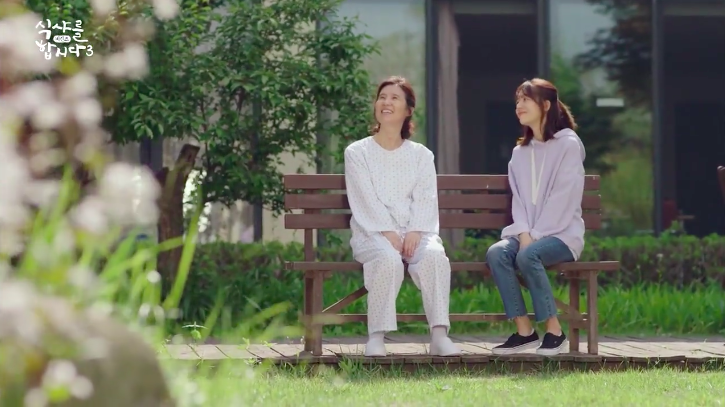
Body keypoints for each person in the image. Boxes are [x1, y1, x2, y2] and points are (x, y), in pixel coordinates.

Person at [343, 76, 460, 357]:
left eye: (394, 98)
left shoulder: (421, 155)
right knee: (387, 259)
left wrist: (416, 231)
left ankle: (439, 335)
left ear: (408, 110)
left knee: (434, 256)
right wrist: (388, 232)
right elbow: (364, 198)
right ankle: (376, 337)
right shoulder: (357, 152)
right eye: (382, 97)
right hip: (372, 233)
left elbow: (426, 197)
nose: (386, 102)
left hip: (416, 232)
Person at [486, 78, 586, 356]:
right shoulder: (519, 153)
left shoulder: (568, 145)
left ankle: (555, 332)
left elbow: (564, 198)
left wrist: (536, 236)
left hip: (563, 235)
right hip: (528, 235)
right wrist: (523, 233)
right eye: (517, 100)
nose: (519, 105)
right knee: (497, 253)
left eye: (526, 99)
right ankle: (524, 332)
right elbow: (518, 200)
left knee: (528, 255)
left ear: (546, 105)